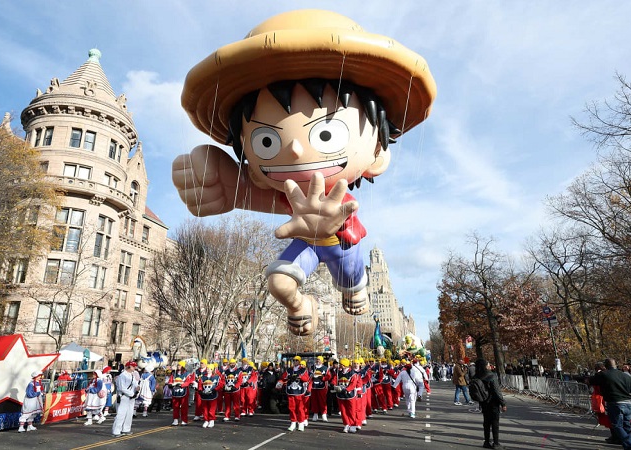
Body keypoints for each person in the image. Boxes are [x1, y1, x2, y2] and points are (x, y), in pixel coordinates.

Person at [172, 9, 436, 338]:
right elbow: (253, 195)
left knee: (350, 278)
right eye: (266, 141)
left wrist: (334, 224)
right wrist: (225, 185)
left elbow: (344, 219)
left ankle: (355, 288)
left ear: (377, 155)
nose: (296, 150)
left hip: (341, 244)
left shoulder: (340, 198)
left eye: (327, 133)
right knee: (278, 282)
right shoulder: (289, 195)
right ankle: (301, 306)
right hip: (306, 245)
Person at [590, 358, 631, 450]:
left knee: (617, 425)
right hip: (627, 402)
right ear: (616, 365)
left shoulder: (604, 374)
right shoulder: (626, 375)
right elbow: (630, 389)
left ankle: (630, 446)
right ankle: (628, 444)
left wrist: (598, 373)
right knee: (626, 425)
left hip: (615, 402)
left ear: (605, 366)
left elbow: (592, 381)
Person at [475, 359, 507, 449]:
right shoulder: (491, 376)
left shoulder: (477, 375)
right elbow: (496, 391)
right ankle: (496, 443)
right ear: (485, 366)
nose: (489, 366)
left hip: (483, 401)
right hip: (493, 402)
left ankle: (486, 441)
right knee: (495, 423)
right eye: (488, 365)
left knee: (486, 422)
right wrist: (503, 403)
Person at [278, 356, 310, 431]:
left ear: (299, 361)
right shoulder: (289, 370)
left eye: (296, 360)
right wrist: (289, 377)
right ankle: (293, 422)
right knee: (291, 408)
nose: (295, 361)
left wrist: (299, 377)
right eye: (294, 360)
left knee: (300, 408)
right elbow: (283, 377)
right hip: (291, 391)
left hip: (299, 392)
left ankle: (301, 423)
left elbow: (306, 379)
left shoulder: (303, 370)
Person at [332, 358, 361, 433]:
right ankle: (346, 424)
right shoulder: (338, 373)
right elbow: (334, 380)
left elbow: (353, 384)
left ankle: (353, 425)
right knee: (343, 411)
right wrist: (334, 386)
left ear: (344, 365)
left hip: (350, 395)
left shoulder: (353, 374)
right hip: (340, 395)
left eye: (341, 364)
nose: (339, 365)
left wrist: (346, 390)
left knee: (351, 410)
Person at [588, 362, 614, 444]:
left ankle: (616, 436)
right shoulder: (606, 374)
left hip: (604, 398)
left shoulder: (602, 375)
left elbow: (592, 382)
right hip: (605, 397)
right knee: (610, 418)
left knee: (610, 418)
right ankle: (614, 435)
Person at [112, 361, 139, 437]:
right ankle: (116, 431)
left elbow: (135, 384)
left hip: (131, 397)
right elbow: (122, 388)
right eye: (133, 366)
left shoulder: (132, 375)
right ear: (129, 366)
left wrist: (137, 389)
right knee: (121, 414)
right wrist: (131, 394)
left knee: (129, 414)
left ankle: (126, 429)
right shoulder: (122, 375)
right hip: (124, 397)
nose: (134, 367)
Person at [168, 361, 193, 426]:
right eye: (178, 365)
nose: (178, 366)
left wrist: (181, 385)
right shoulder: (174, 374)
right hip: (175, 392)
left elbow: (188, 382)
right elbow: (170, 381)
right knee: (175, 406)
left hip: (184, 392)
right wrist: (170, 384)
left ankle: (184, 420)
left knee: (184, 407)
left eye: (179, 365)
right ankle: (175, 419)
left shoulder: (187, 374)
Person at [309, 355, 330, 422]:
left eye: (319, 360)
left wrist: (322, 378)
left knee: (322, 401)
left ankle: (324, 414)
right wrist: (312, 376)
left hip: (322, 386)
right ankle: (315, 413)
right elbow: (309, 375)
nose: (318, 361)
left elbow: (328, 377)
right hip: (314, 386)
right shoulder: (313, 367)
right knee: (314, 401)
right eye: (317, 359)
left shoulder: (325, 368)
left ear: (322, 361)